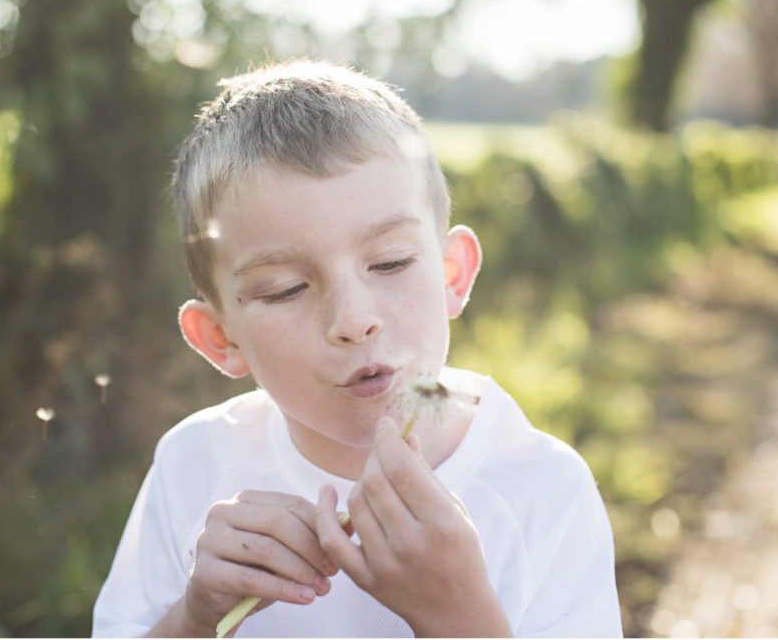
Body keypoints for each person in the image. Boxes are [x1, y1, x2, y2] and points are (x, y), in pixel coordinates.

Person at [92, 60, 622, 638]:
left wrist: (459, 616)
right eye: (285, 290)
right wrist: (196, 617)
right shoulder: (194, 465)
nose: (353, 320)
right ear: (221, 338)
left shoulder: (543, 489)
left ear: (453, 274)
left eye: (390, 263)